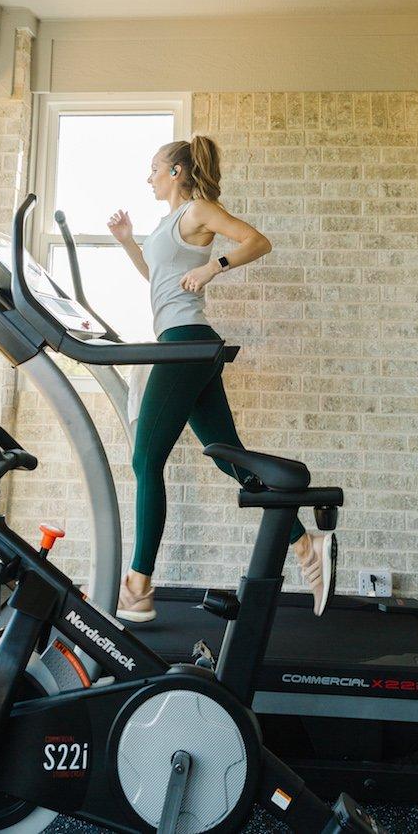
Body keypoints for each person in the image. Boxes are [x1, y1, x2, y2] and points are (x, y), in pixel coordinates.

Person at [108, 134, 334, 623]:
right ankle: (304, 545)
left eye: (153, 167)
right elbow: (158, 277)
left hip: (186, 346)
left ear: (175, 172)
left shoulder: (198, 210)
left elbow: (258, 240)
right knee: (226, 455)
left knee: (146, 459)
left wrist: (215, 267)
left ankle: (138, 587)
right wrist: (128, 243)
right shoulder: (170, 223)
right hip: (189, 347)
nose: (147, 177)